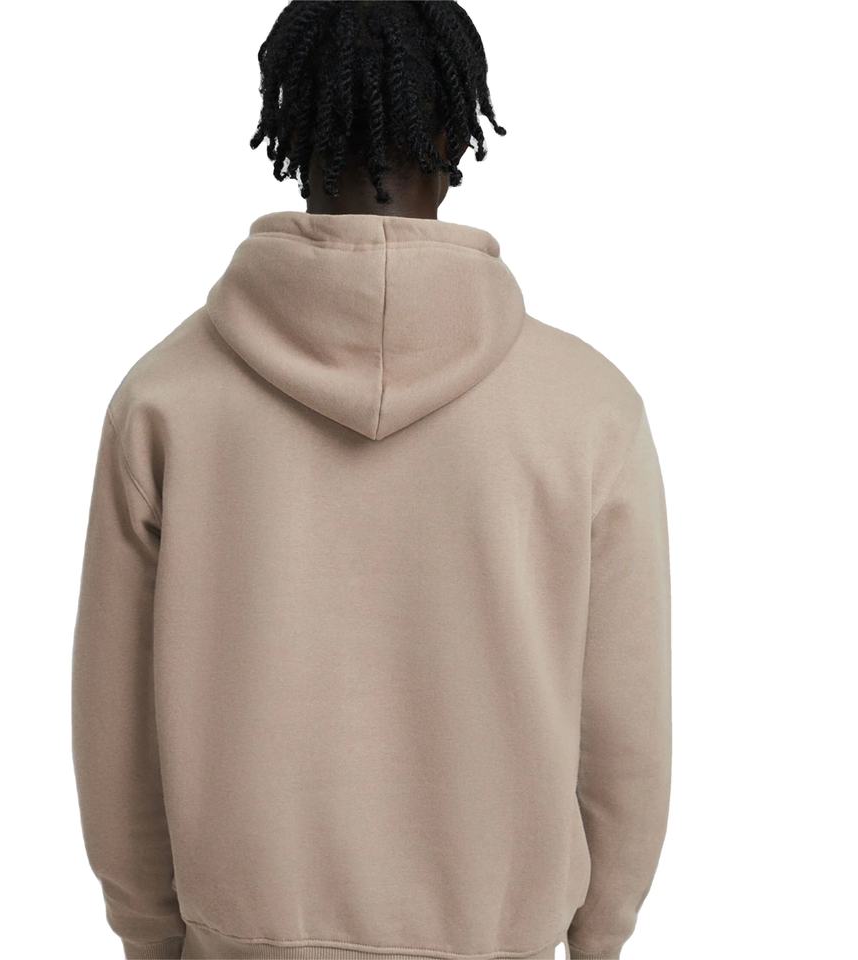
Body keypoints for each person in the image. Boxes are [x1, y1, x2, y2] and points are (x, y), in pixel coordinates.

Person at [71, 3, 672, 959]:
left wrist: (151, 935)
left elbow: (116, 727)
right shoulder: (587, 405)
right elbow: (624, 726)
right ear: (457, 135)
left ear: (292, 135)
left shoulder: (165, 399)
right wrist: (600, 934)